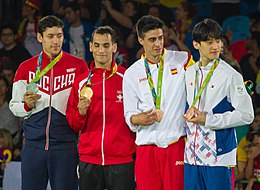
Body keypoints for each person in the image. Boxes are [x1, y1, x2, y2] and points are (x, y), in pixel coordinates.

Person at [9, 15, 89, 190]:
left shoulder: (79, 66)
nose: (56, 41)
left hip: (65, 147)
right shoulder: (25, 68)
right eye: (50, 36)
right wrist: (26, 105)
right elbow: (14, 106)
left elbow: (86, 104)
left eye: (59, 36)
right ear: (40, 38)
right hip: (33, 147)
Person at [123, 15, 194, 190]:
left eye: (161, 38)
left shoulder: (182, 60)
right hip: (146, 148)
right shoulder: (132, 73)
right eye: (152, 39)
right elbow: (129, 113)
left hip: (174, 144)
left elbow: (203, 79)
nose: (158, 44)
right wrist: (136, 119)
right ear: (141, 40)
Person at [183, 18, 254, 190]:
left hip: (218, 156)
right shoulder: (189, 72)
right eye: (209, 42)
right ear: (196, 44)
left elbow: (247, 115)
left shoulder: (231, 75)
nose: (215, 46)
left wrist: (208, 119)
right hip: (191, 157)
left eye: (217, 41)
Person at [66, 25, 136, 190]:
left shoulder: (127, 78)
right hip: (89, 160)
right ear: (90, 47)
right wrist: (80, 113)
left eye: (106, 45)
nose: (101, 50)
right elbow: (73, 123)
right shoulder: (81, 82)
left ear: (114, 47)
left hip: (121, 160)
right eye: (96, 45)